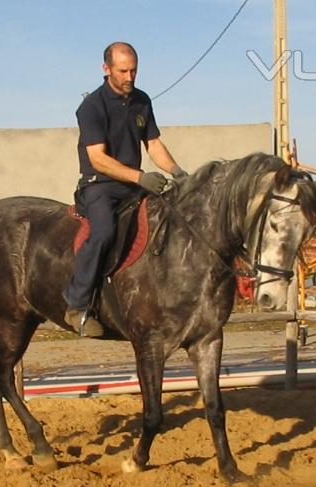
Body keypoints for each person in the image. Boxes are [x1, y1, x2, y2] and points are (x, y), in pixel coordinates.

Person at [63, 41, 187, 337]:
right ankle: (77, 305)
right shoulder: (92, 107)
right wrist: (140, 178)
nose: (130, 77)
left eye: (134, 70)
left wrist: (177, 172)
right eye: (123, 71)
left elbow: (153, 143)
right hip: (100, 186)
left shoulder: (142, 100)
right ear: (106, 69)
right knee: (104, 231)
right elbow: (98, 159)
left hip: (133, 185)